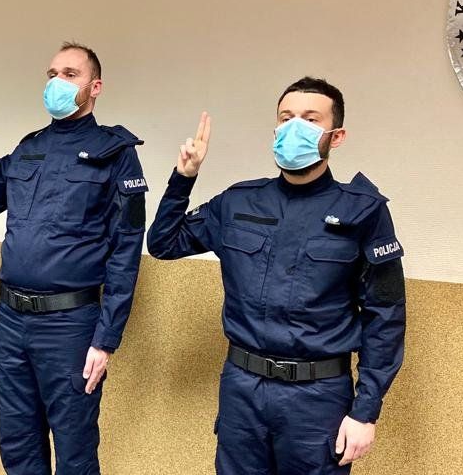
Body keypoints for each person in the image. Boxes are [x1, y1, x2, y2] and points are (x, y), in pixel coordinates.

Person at [147, 77, 406, 474]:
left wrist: (365, 412)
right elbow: (163, 243)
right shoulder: (239, 202)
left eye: (310, 119)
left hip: (317, 398)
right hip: (242, 390)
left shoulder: (363, 212)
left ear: (336, 136)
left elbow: (385, 317)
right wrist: (184, 177)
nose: (294, 127)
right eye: (286, 118)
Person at [0, 42, 148, 473]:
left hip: (69, 326)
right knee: (18, 444)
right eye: (52, 74)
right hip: (12, 320)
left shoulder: (115, 154)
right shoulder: (28, 148)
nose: (57, 82)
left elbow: (126, 254)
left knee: (74, 450)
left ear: (95, 87)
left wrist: (105, 339)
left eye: (70, 74)